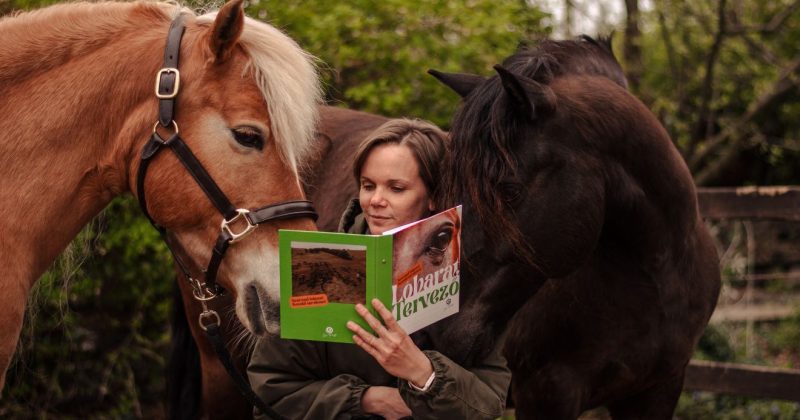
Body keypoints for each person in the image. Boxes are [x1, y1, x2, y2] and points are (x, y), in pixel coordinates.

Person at [247, 118, 511, 419]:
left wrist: (424, 374)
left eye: (396, 188)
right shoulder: (318, 267)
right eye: (368, 185)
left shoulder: (471, 281)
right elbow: (271, 394)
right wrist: (366, 400)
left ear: (434, 197)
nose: (375, 201)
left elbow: (489, 407)